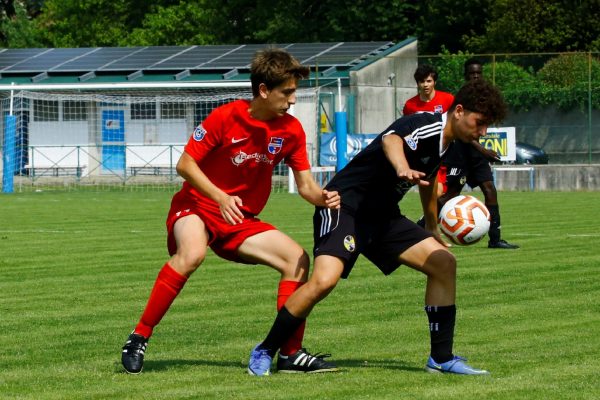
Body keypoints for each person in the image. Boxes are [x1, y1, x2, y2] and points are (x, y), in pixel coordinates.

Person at [247, 79, 507, 376]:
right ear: (459, 111)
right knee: (324, 281)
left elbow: (429, 180)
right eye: (480, 122)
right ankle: (266, 349)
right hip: (344, 206)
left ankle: (441, 357)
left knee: (443, 263)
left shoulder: (448, 144)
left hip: (382, 216)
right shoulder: (426, 125)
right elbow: (391, 139)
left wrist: (432, 226)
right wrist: (400, 167)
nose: (483, 132)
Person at [120, 48, 341, 375]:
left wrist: (322, 198)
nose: (293, 100)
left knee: (296, 260)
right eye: (287, 92)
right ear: (264, 91)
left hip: (239, 219)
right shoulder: (225, 117)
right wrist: (220, 196)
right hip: (197, 204)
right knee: (192, 254)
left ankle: (290, 354)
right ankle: (139, 336)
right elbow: (185, 164)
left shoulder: (291, 130)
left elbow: (306, 185)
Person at [439, 58, 519, 249]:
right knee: (448, 196)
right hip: (459, 154)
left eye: (478, 73)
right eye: (472, 73)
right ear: (465, 75)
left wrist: (481, 152)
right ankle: (423, 227)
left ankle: (495, 238)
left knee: (490, 191)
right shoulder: (461, 99)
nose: (475, 76)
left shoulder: (484, 99)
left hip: (475, 157)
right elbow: (462, 132)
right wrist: (483, 150)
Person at [403, 64, 454, 196]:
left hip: (445, 152)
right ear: (417, 83)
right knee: (433, 192)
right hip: (423, 156)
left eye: (428, 81)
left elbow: (455, 122)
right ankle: (429, 216)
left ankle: (431, 216)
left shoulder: (447, 99)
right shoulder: (410, 105)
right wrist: (413, 148)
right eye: (422, 81)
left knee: (441, 192)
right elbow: (406, 130)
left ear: (434, 82)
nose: (425, 84)